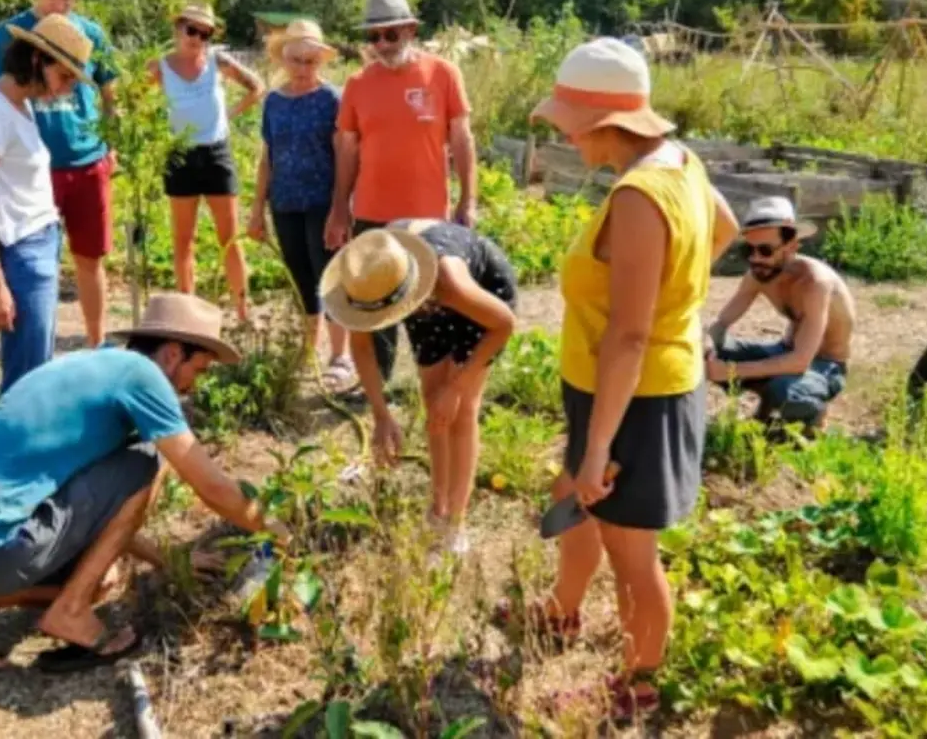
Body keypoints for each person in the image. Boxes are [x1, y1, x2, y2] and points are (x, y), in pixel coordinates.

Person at [504, 38, 738, 722]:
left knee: (631, 554)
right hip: (618, 386)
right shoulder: (682, 163)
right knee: (574, 495)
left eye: (569, 122)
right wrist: (681, 300)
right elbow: (721, 228)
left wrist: (601, 445)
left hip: (636, 396)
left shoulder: (640, 196)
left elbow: (631, 335)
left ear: (607, 122)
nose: (563, 133)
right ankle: (562, 611)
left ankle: (638, 684)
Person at [0, 292, 289, 676]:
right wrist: (276, 530)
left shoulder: (98, 365)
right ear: (172, 354)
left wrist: (168, 559)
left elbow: (102, 511)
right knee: (147, 460)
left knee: (103, 580)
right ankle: (69, 613)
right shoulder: (144, 377)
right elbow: (211, 487)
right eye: (199, 370)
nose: (195, 384)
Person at [319, 221, 517, 557]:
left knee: (460, 409)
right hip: (423, 294)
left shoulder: (447, 280)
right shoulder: (365, 280)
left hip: (483, 298)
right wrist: (381, 416)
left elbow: (503, 325)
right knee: (432, 402)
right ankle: (437, 506)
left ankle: (456, 520)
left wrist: (457, 386)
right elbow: (363, 350)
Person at [323, 0, 477, 386]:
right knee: (375, 305)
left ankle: (437, 382)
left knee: (429, 302)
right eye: (373, 37)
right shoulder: (358, 84)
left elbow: (462, 140)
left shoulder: (442, 74)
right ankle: (380, 387)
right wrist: (340, 208)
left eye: (390, 35)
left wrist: (469, 200)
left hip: (428, 213)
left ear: (410, 30)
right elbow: (347, 151)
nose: (381, 45)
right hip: (373, 210)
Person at [0, 0, 118, 349]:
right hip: (28, 168)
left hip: (87, 159)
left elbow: (109, 95)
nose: (59, 3)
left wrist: (112, 145)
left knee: (90, 258)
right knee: (30, 262)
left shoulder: (90, 35)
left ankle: (96, 343)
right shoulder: (9, 36)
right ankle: (32, 346)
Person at [0, 14, 93, 394]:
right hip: (22, 252)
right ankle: (14, 450)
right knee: (26, 382)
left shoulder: (20, 105)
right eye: (64, 77)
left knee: (37, 369)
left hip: (41, 239)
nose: (66, 89)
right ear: (36, 61)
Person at [247, 19, 354, 389]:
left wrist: (342, 207)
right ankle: (309, 350)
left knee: (330, 275)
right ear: (283, 59)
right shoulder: (274, 102)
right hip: (285, 201)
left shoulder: (333, 99)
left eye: (311, 60)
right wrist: (257, 208)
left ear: (321, 61)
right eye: (296, 59)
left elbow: (344, 153)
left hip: (323, 202)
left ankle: (340, 356)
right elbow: (268, 158)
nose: (303, 67)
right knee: (300, 278)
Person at [147, 2, 266, 322]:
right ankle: (187, 314)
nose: (197, 38)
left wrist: (229, 115)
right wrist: (154, 130)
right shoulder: (159, 67)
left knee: (229, 237)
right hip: (180, 154)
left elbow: (257, 87)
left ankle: (243, 311)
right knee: (183, 240)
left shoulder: (218, 61)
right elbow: (132, 98)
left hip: (216, 153)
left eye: (205, 33)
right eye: (191, 30)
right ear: (177, 29)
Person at [706, 196, 854, 429]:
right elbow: (721, 324)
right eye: (749, 250)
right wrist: (702, 347)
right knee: (711, 348)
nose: (755, 259)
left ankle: (813, 409)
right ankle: (769, 399)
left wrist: (732, 372)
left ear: (791, 247)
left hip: (824, 365)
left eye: (765, 250)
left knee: (785, 391)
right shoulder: (760, 274)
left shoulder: (816, 283)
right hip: (785, 351)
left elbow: (801, 361)